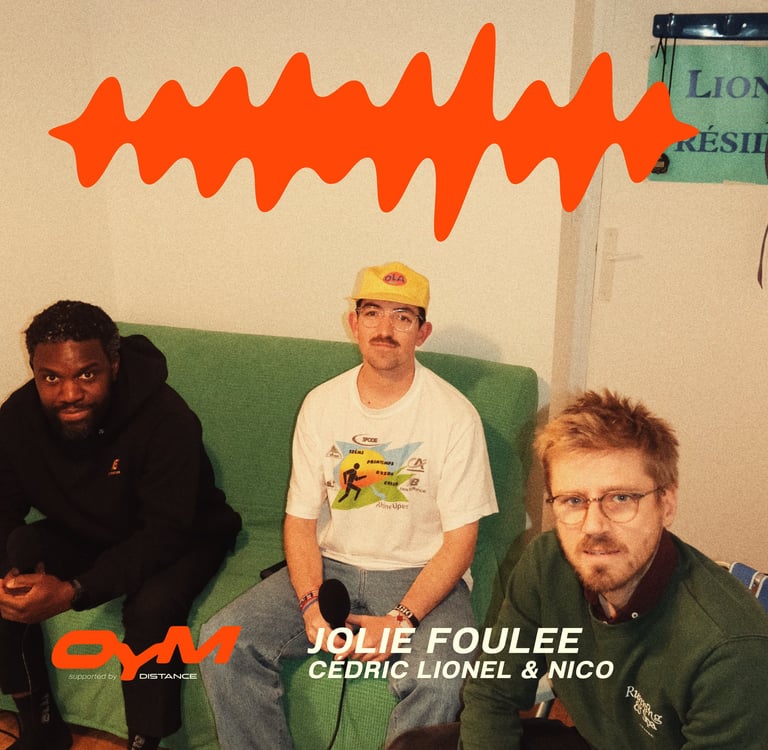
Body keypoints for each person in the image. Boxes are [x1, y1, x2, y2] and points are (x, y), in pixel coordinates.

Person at [200, 261, 498, 748]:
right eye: (373, 312)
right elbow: (300, 521)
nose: (385, 329)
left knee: (441, 679)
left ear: (422, 333)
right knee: (223, 640)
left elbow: (462, 541)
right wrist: (310, 603)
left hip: (419, 573)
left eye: (402, 317)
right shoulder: (321, 403)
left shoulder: (454, 416)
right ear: (353, 323)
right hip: (332, 566)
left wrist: (401, 620)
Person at [459, 390, 768, 749]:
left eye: (621, 498)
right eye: (573, 500)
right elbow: (492, 691)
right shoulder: (548, 562)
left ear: (666, 504)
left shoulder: (730, 652)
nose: (593, 526)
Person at [0, 301, 241, 750]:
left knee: (152, 610)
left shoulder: (167, 418)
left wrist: (74, 591)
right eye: (51, 378)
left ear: (113, 365)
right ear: (34, 371)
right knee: (8, 579)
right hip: (88, 528)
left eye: (86, 374)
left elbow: (165, 532)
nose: (69, 393)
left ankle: (144, 741)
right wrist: (13, 565)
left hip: (185, 533)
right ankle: (40, 725)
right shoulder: (18, 416)